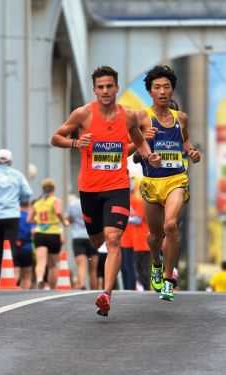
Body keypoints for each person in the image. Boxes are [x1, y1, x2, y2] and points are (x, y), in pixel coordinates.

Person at [51, 66, 160, 316]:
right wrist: (76, 142)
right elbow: (56, 138)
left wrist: (149, 156)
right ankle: (105, 281)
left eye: (109, 86)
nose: (105, 91)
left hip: (117, 187)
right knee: (97, 240)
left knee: (113, 240)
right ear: (94, 90)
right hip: (89, 189)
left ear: (117, 88)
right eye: (100, 87)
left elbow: (139, 139)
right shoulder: (82, 114)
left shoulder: (129, 117)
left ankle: (106, 294)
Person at [138, 65, 201, 301]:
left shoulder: (181, 118)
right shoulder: (141, 117)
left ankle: (167, 280)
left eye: (166, 87)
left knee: (171, 225)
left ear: (172, 90)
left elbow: (187, 145)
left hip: (176, 179)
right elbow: (130, 152)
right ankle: (156, 262)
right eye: (157, 87)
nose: (162, 91)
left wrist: (194, 153)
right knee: (154, 237)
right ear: (150, 92)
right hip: (152, 182)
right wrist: (144, 145)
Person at [0, 149, 32, 284]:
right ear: (11, 161)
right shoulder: (17, 175)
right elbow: (27, 192)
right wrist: (18, 199)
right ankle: (10, 278)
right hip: (12, 214)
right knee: (10, 247)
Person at [28, 178, 66, 289]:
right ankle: (52, 288)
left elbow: (29, 219)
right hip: (53, 233)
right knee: (53, 264)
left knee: (41, 261)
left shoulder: (38, 202)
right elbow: (58, 212)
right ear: (53, 189)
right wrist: (64, 222)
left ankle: (40, 279)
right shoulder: (56, 200)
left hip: (40, 233)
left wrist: (39, 221)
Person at [68, 193, 98, 290]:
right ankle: (94, 291)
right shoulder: (95, 203)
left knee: (82, 264)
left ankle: (81, 285)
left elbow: (69, 219)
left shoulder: (73, 204)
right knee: (93, 269)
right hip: (92, 237)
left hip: (78, 237)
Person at [16, 201, 33, 289]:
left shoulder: (14, 216)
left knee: (15, 272)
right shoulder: (29, 217)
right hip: (26, 247)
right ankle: (24, 294)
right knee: (26, 275)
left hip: (14, 247)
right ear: (29, 205)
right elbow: (33, 231)